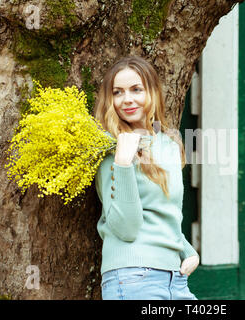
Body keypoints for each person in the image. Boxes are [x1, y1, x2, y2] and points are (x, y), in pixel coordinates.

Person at [93, 55, 200, 300]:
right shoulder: (110, 148)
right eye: (118, 92)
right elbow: (126, 227)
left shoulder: (169, 144)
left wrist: (187, 250)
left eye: (136, 90)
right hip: (132, 278)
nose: (127, 99)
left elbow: (164, 211)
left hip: (175, 278)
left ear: (152, 92)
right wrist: (122, 163)